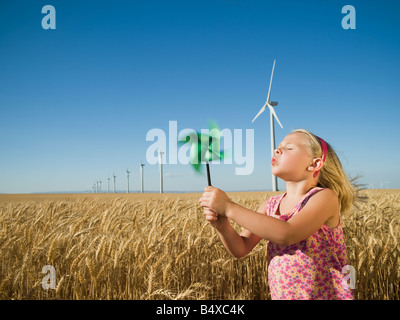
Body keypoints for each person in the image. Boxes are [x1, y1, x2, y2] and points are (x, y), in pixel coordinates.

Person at [198, 129, 361, 300]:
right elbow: (241, 248)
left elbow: (287, 233)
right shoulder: (270, 205)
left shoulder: (324, 197)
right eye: (278, 147)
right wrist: (223, 226)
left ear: (315, 164)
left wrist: (229, 207)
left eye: (289, 148)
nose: (277, 150)